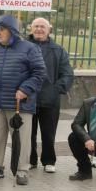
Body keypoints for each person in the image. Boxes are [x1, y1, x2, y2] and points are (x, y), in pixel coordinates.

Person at [0, 15, 45, 186]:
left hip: (20, 104)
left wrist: (25, 89)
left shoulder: (30, 48)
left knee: (22, 139)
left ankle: (22, 170)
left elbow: (39, 73)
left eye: (1, 29)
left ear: (12, 31)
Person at [28, 18, 74, 172]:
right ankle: (30, 160)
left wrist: (56, 89)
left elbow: (67, 73)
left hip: (50, 99)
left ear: (49, 30)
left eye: (42, 27)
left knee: (49, 133)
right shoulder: (23, 47)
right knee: (28, 133)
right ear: (31, 29)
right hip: (28, 97)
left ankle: (49, 160)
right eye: (36, 26)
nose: (39, 29)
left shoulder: (58, 50)